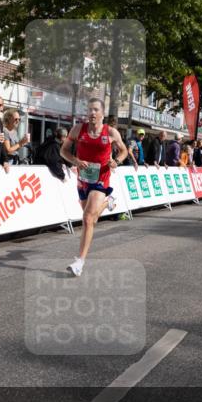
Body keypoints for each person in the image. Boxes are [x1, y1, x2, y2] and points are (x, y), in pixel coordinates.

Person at [60, 98, 130, 277]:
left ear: (102, 113)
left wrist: (117, 161)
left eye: (96, 110)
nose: (92, 113)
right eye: (89, 109)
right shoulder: (78, 130)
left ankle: (79, 262)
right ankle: (108, 203)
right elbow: (64, 151)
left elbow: (124, 151)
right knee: (91, 219)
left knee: (87, 218)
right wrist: (75, 160)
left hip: (101, 178)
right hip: (83, 179)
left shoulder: (111, 132)